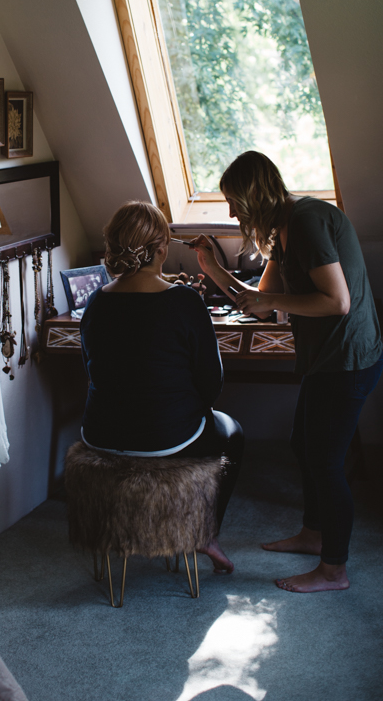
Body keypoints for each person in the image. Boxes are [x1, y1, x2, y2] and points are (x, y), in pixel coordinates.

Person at [190, 150, 382, 593]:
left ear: (254, 195)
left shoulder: (309, 221)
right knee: (304, 444)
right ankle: (314, 535)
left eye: (234, 202)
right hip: (324, 360)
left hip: (348, 358)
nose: (232, 212)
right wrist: (213, 268)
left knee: (327, 463)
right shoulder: (282, 230)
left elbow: (337, 302)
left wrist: (273, 303)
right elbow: (258, 301)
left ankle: (334, 571)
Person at [80, 200, 244, 574]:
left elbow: (92, 374)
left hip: (100, 436)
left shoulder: (95, 302)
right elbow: (211, 386)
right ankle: (205, 531)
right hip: (166, 440)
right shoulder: (184, 301)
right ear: (160, 249)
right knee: (231, 433)